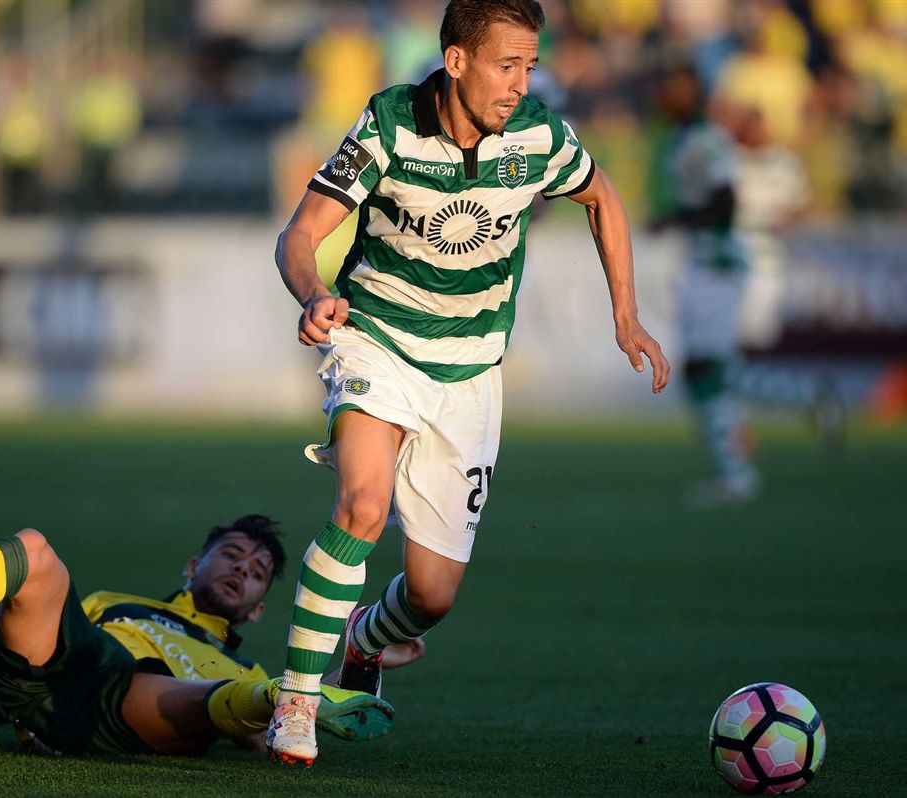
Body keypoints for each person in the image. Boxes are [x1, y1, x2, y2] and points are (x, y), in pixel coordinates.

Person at [267, 0, 669, 766]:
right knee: (361, 504)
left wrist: (627, 317)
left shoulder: (540, 135)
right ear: (456, 60)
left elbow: (601, 196)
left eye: (531, 65)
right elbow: (302, 233)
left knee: (431, 596)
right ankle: (296, 701)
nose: (521, 83)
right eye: (506, 64)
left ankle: (364, 641)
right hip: (376, 343)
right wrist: (313, 294)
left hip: (471, 372)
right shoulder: (386, 126)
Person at [0, 515, 419, 757]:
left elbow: (311, 700)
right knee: (33, 550)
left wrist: (362, 656)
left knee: (256, 697)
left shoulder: (237, 668)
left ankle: (268, 707)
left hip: (135, 706)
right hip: (64, 669)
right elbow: (23, 647)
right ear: (192, 566)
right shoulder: (116, 604)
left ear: (259, 611)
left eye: (257, 573)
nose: (241, 569)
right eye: (231, 555)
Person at [648, 64, 758, 505]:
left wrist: (675, 218)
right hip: (701, 261)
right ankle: (802, 400)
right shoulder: (680, 137)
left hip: (715, 262)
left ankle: (736, 473)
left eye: (675, 88)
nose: (665, 96)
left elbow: (726, 201)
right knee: (715, 371)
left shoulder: (704, 138)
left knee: (703, 371)